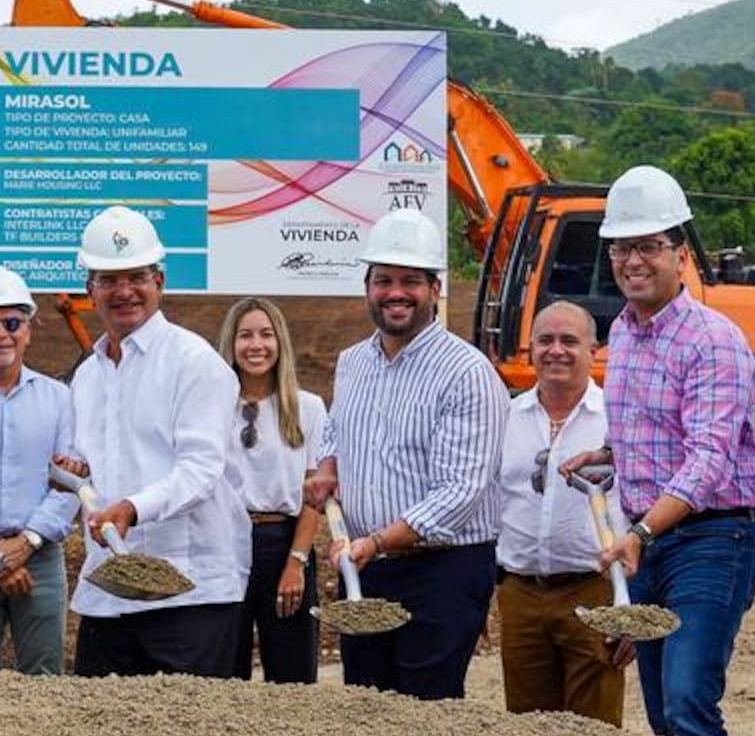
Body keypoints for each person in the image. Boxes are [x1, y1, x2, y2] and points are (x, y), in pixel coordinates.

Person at [559, 168, 755, 736]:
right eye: (622, 247)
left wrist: (641, 533)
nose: (633, 260)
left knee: (687, 702)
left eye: (649, 246)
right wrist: (606, 456)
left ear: (680, 255)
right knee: (659, 714)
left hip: (713, 539)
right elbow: (655, 434)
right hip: (652, 540)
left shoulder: (712, 340)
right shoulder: (624, 334)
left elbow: (708, 458)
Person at [305, 208, 507, 701]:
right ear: (367, 286)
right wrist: (328, 464)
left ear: (435, 289)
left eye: (410, 281)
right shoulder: (353, 363)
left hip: (443, 571)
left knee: (426, 713)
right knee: (368, 707)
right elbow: (336, 431)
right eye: (384, 280)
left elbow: (460, 492)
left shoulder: (467, 372)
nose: (396, 292)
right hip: (369, 568)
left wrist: (374, 541)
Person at [59, 209, 248, 678]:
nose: (124, 291)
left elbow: (202, 470)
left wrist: (131, 508)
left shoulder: (194, 362)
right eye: (108, 279)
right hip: (109, 592)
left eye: (136, 276)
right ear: (90, 291)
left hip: (189, 593)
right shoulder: (87, 376)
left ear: (159, 280)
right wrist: (72, 471)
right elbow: (95, 463)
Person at [497, 300, 626, 723]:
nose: (557, 350)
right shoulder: (504, 418)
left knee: (596, 733)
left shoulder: (618, 421)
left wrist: (630, 606)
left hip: (594, 590)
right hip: (520, 593)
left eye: (569, 341)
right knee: (528, 731)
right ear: (529, 348)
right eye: (545, 340)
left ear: (594, 350)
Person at [0, 265, 77, 675]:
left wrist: (26, 544)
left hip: (41, 557)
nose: (1, 334)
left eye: (12, 322)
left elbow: (70, 484)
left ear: (28, 329)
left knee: (45, 677)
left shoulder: (58, 399)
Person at [222, 295, 325, 684]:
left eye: (266, 334)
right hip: (225, 542)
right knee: (223, 670)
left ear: (280, 342)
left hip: (283, 542)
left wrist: (295, 563)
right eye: (245, 335)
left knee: (292, 673)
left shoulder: (308, 408)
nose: (256, 345)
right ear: (231, 344)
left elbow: (314, 495)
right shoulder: (213, 407)